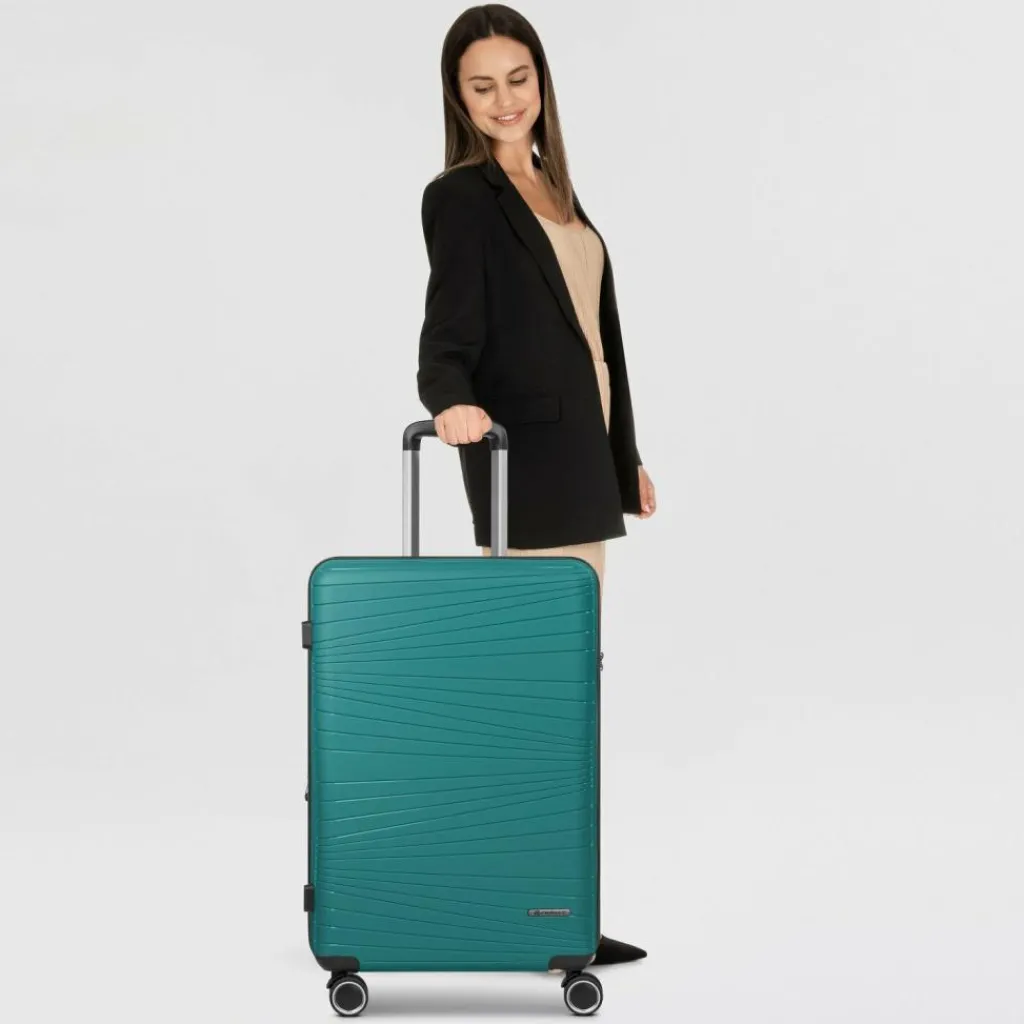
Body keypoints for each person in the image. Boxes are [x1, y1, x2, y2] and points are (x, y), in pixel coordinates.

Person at [416, 4, 657, 966]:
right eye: (482, 86)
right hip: (526, 463)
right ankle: (517, 906)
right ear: (458, 98)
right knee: (537, 698)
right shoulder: (461, 197)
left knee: (564, 695)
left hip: (582, 462)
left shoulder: (558, 189)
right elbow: (447, 334)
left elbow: (597, 339)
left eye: (519, 78)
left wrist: (625, 453)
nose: (505, 99)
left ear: (543, 81)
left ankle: (552, 909)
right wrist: (448, 401)